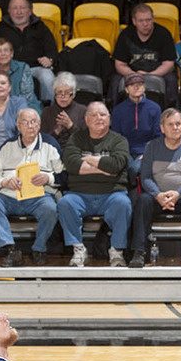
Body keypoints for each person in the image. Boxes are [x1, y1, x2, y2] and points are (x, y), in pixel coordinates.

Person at [128, 108, 181, 269]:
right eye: (170, 124)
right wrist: (158, 195)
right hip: (158, 196)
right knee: (142, 200)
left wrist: (179, 193)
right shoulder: (152, 146)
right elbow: (145, 177)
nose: (175, 127)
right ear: (162, 128)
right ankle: (139, 252)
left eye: (178, 124)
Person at [0, 108, 63, 267]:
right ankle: (10, 250)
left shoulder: (50, 144)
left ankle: (39, 249)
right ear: (18, 126)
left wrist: (48, 178)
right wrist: (4, 182)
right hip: (10, 197)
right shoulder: (8, 146)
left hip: (39, 197)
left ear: (39, 125)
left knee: (51, 208)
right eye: (25, 122)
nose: (30, 126)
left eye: (33, 122)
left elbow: (64, 174)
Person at [58, 101, 132, 267]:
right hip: (79, 195)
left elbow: (116, 165)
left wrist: (90, 160)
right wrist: (104, 167)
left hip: (112, 194)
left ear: (109, 118)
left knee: (123, 203)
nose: (99, 118)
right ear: (86, 119)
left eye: (103, 114)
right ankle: (78, 249)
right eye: (94, 115)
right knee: (65, 203)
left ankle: (116, 251)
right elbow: (72, 164)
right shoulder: (76, 139)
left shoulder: (119, 140)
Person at [0, 0, 58, 104]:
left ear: (30, 11)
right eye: (15, 8)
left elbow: (52, 50)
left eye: (22, 8)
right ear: (9, 11)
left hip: (36, 67)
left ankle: (49, 111)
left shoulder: (40, 27)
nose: (19, 12)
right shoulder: (2, 28)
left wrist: (50, 59)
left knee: (47, 77)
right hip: (11, 67)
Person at [111, 3, 177, 107]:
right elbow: (119, 64)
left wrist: (151, 75)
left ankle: (171, 113)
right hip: (132, 72)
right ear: (134, 21)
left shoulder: (164, 34)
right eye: (141, 21)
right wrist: (134, 75)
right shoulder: (125, 35)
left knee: (171, 79)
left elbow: (169, 64)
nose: (145, 24)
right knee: (115, 80)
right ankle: (113, 113)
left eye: (148, 20)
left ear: (153, 19)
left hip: (158, 72)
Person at [109, 72, 160, 187]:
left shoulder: (154, 108)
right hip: (125, 150)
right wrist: (123, 153)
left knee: (135, 168)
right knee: (128, 166)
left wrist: (148, 152)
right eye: (132, 85)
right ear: (127, 90)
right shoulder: (118, 110)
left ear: (144, 88)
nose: (136, 87)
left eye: (140, 84)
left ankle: (130, 189)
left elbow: (158, 135)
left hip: (146, 150)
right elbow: (116, 136)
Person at [0, 36, 41, 113]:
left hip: (25, 107)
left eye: (6, 50)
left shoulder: (23, 68)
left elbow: (27, 97)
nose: (3, 54)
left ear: (11, 54)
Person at [40, 71, 86, 148]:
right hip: (52, 151)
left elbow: (86, 140)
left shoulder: (82, 110)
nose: (63, 97)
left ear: (73, 95)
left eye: (67, 93)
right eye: (59, 93)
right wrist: (56, 131)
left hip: (76, 151)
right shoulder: (47, 112)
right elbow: (42, 141)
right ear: (54, 95)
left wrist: (70, 126)